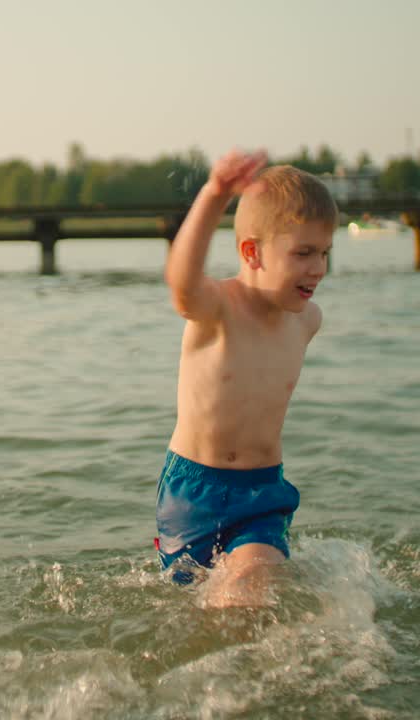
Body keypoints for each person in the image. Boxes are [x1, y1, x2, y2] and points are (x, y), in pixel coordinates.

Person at [155, 149, 336, 607]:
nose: (318, 268)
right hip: (194, 490)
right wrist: (215, 194)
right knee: (197, 607)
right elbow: (181, 280)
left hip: (262, 492)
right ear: (252, 252)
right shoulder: (218, 309)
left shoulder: (306, 321)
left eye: (324, 252)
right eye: (303, 253)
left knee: (251, 587)